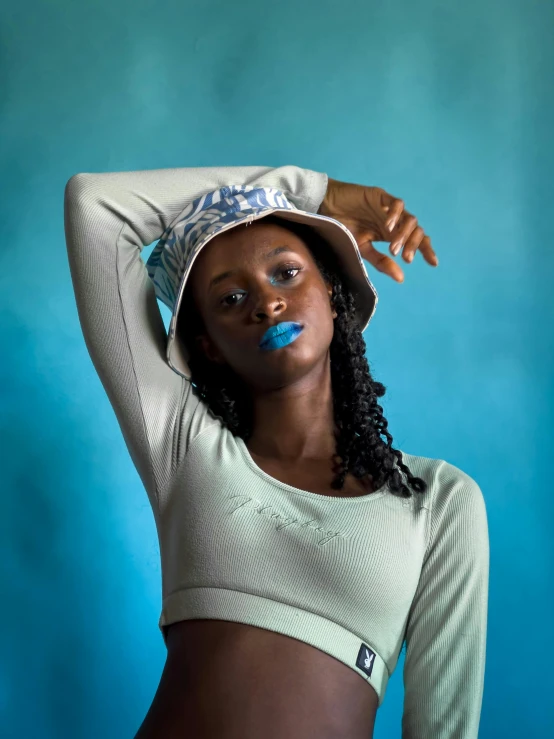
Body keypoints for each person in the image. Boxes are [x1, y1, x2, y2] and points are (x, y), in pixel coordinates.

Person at [63, 165, 489, 739]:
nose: (266, 302)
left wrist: (293, 203)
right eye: (232, 297)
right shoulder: (182, 442)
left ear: (335, 296)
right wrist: (313, 191)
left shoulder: (436, 501)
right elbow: (95, 205)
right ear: (208, 346)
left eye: (286, 273)